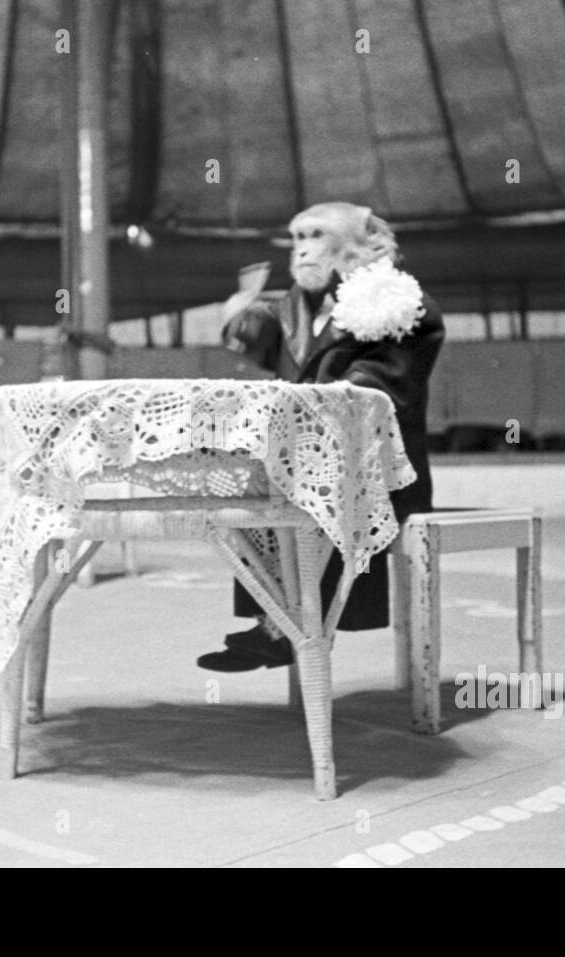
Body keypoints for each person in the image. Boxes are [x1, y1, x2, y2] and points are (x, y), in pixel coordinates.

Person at [196, 201, 445, 671]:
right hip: (304, 461)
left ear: (361, 245)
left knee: (317, 487)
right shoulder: (293, 310)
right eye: (296, 238)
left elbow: (373, 396)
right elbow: (266, 346)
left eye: (315, 236)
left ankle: (293, 630)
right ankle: (275, 621)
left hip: (379, 473)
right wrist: (237, 319)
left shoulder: (402, 306)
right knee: (249, 484)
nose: (302, 251)